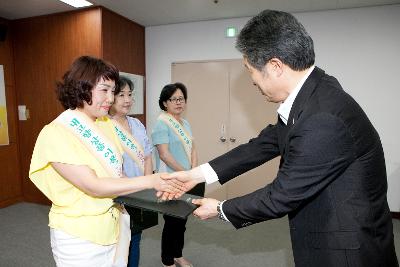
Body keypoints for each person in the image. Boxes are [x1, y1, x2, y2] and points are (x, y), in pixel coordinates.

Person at [164, 10, 399, 267]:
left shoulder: (322, 116)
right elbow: (262, 145)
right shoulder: (313, 93)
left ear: (275, 66)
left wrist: (220, 209)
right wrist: (196, 175)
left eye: (250, 70)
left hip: (347, 251)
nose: (252, 81)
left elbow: (281, 195)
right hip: (328, 233)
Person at [29, 56, 183, 267]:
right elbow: (93, 185)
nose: (110, 98)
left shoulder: (105, 125)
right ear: (82, 87)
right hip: (80, 235)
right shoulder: (57, 132)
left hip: (114, 223)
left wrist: (157, 189)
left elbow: (117, 175)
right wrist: (151, 181)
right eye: (105, 90)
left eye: (113, 91)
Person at [152, 83, 204, 267]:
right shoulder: (161, 124)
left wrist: (194, 171)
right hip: (171, 181)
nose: (178, 102)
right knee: (172, 221)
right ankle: (167, 261)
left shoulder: (185, 122)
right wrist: (186, 173)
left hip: (188, 179)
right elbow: (164, 155)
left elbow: (193, 148)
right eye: (174, 99)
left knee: (181, 220)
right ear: (165, 103)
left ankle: (178, 254)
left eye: (181, 98)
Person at [109, 75, 153, 267]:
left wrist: (148, 183)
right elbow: (110, 166)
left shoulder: (137, 124)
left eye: (130, 94)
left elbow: (149, 155)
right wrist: (132, 190)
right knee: (117, 243)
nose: (127, 100)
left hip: (140, 193)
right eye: (121, 95)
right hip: (119, 196)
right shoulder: (104, 126)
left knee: (135, 238)